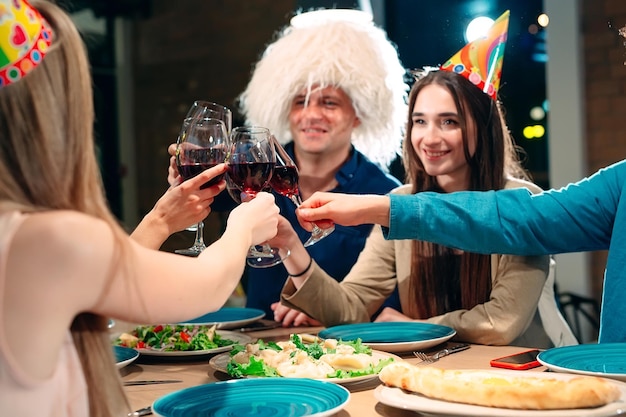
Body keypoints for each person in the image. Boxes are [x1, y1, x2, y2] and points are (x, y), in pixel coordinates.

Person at [0, 1, 279, 416]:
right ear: (50, 113)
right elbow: (205, 286)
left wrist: (161, 221)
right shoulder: (46, 236)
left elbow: (100, 307)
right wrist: (243, 225)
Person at [294, 32, 626, 346]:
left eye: (449, 122)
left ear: (482, 129)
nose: (430, 138)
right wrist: (289, 249)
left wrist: (415, 328)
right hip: (438, 371)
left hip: (528, 375)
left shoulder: (521, 201)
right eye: (420, 121)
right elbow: (351, 307)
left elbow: (501, 323)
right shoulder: (401, 200)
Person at [168, 9, 407, 323]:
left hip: (341, 350)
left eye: (329, 102)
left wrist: (319, 305)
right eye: (300, 102)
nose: (312, 115)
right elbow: (196, 205)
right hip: (252, 343)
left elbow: (389, 301)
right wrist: (182, 186)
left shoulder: (384, 192)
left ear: (359, 113)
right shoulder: (251, 170)